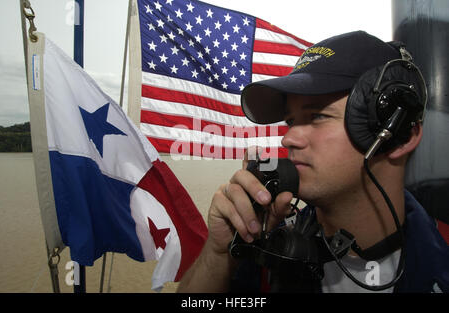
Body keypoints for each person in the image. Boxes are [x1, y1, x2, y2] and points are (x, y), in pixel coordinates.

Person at [177, 31, 449, 293]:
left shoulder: (443, 253)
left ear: (398, 136)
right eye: (291, 121)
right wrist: (220, 252)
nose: (288, 138)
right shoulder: (267, 247)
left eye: (318, 116)